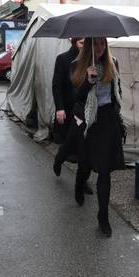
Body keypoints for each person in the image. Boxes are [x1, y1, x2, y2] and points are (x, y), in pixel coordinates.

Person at [72, 37, 125, 237]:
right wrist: (87, 81)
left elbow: (117, 88)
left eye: (103, 43)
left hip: (108, 119)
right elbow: (75, 97)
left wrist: (116, 108)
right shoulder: (77, 64)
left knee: (105, 170)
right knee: (85, 164)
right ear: (88, 46)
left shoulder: (113, 62)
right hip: (87, 120)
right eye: (95, 44)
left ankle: (103, 215)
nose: (100, 48)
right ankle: (79, 184)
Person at [52, 38, 91, 190]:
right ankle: (60, 158)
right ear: (74, 42)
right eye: (81, 43)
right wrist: (59, 108)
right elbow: (57, 86)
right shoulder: (62, 59)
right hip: (69, 108)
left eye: (86, 43)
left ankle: (82, 180)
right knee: (70, 144)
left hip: (85, 109)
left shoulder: (91, 60)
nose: (84, 46)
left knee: (85, 147)